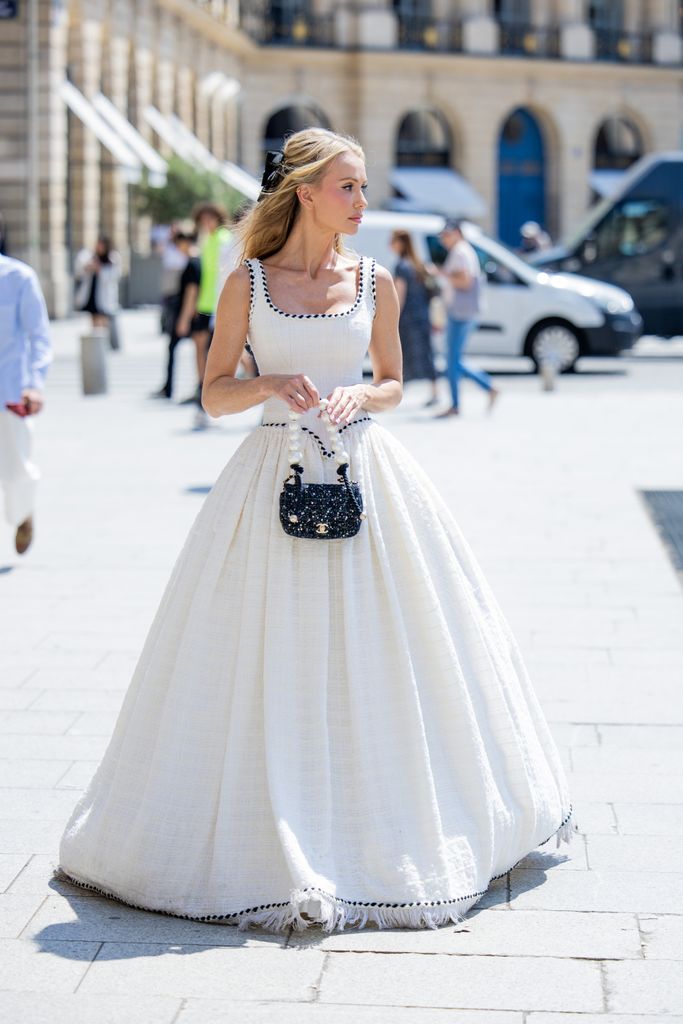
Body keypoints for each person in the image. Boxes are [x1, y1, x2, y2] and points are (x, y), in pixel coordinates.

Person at [56, 128, 576, 934]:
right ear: (305, 190)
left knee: (389, 649)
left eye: (363, 188)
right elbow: (214, 396)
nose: (363, 202)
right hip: (268, 478)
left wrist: (359, 397)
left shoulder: (376, 279)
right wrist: (270, 381)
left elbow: (398, 382)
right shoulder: (248, 283)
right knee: (260, 650)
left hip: (368, 477)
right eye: (350, 187)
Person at [0, 252, 52, 555]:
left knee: (16, 469)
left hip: (9, 391)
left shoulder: (19, 278)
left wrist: (34, 385)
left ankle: (23, 513)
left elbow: (39, 336)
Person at [435, 219, 499, 418]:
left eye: (447, 235)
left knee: (452, 360)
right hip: (461, 311)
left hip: (461, 312)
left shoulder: (461, 251)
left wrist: (442, 273)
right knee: (453, 359)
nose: (444, 240)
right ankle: (483, 389)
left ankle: (461, 401)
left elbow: (465, 281)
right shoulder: (462, 250)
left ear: (457, 233)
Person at [190, 203, 233, 428]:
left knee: (211, 358)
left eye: (209, 219)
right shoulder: (208, 240)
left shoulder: (223, 239)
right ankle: (202, 404)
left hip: (217, 306)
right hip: (206, 305)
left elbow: (223, 278)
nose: (206, 223)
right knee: (203, 355)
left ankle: (204, 406)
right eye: (202, 220)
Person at [150, 223, 201, 400]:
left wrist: (184, 319)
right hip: (188, 312)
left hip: (186, 313)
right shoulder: (194, 260)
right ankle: (173, 387)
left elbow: (191, 292)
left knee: (193, 351)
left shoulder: (193, 262)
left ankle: (173, 388)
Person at [389, 229, 439, 407]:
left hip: (408, 318)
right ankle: (435, 392)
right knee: (427, 353)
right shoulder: (419, 264)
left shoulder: (402, 266)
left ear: (401, 243)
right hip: (423, 315)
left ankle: (398, 390)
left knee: (403, 353)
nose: (390, 245)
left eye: (393, 241)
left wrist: (392, 317)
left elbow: (399, 296)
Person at [74, 236, 121, 349]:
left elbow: (114, 276)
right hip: (92, 293)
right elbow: (79, 271)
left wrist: (100, 270)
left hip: (105, 295)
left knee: (102, 318)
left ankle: (103, 344)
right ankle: (97, 343)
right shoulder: (90, 257)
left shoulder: (112, 258)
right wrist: (88, 267)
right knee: (94, 317)